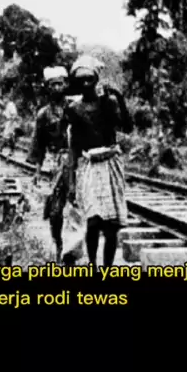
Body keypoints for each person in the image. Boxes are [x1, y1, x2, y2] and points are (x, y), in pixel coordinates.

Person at [66, 55, 133, 269]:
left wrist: (119, 97)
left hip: (110, 163)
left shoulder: (108, 103)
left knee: (111, 224)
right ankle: (93, 264)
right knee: (93, 220)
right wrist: (72, 181)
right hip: (88, 166)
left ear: (96, 79)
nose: (86, 84)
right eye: (82, 80)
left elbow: (127, 127)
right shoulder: (74, 109)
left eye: (90, 79)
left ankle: (108, 267)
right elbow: (74, 146)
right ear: (77, 83)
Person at [28, 66, 70, 262]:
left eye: (60, 84)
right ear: (48, 87)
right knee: (55, 209)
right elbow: (38, 145)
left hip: (76, 161)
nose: (56, 88)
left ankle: (74, 248)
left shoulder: (74, 108)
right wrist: (37, 171)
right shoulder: (43, 114)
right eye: (53, 85)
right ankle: (58, 243)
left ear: (65, 85)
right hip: (55, 162)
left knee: (77, 206)